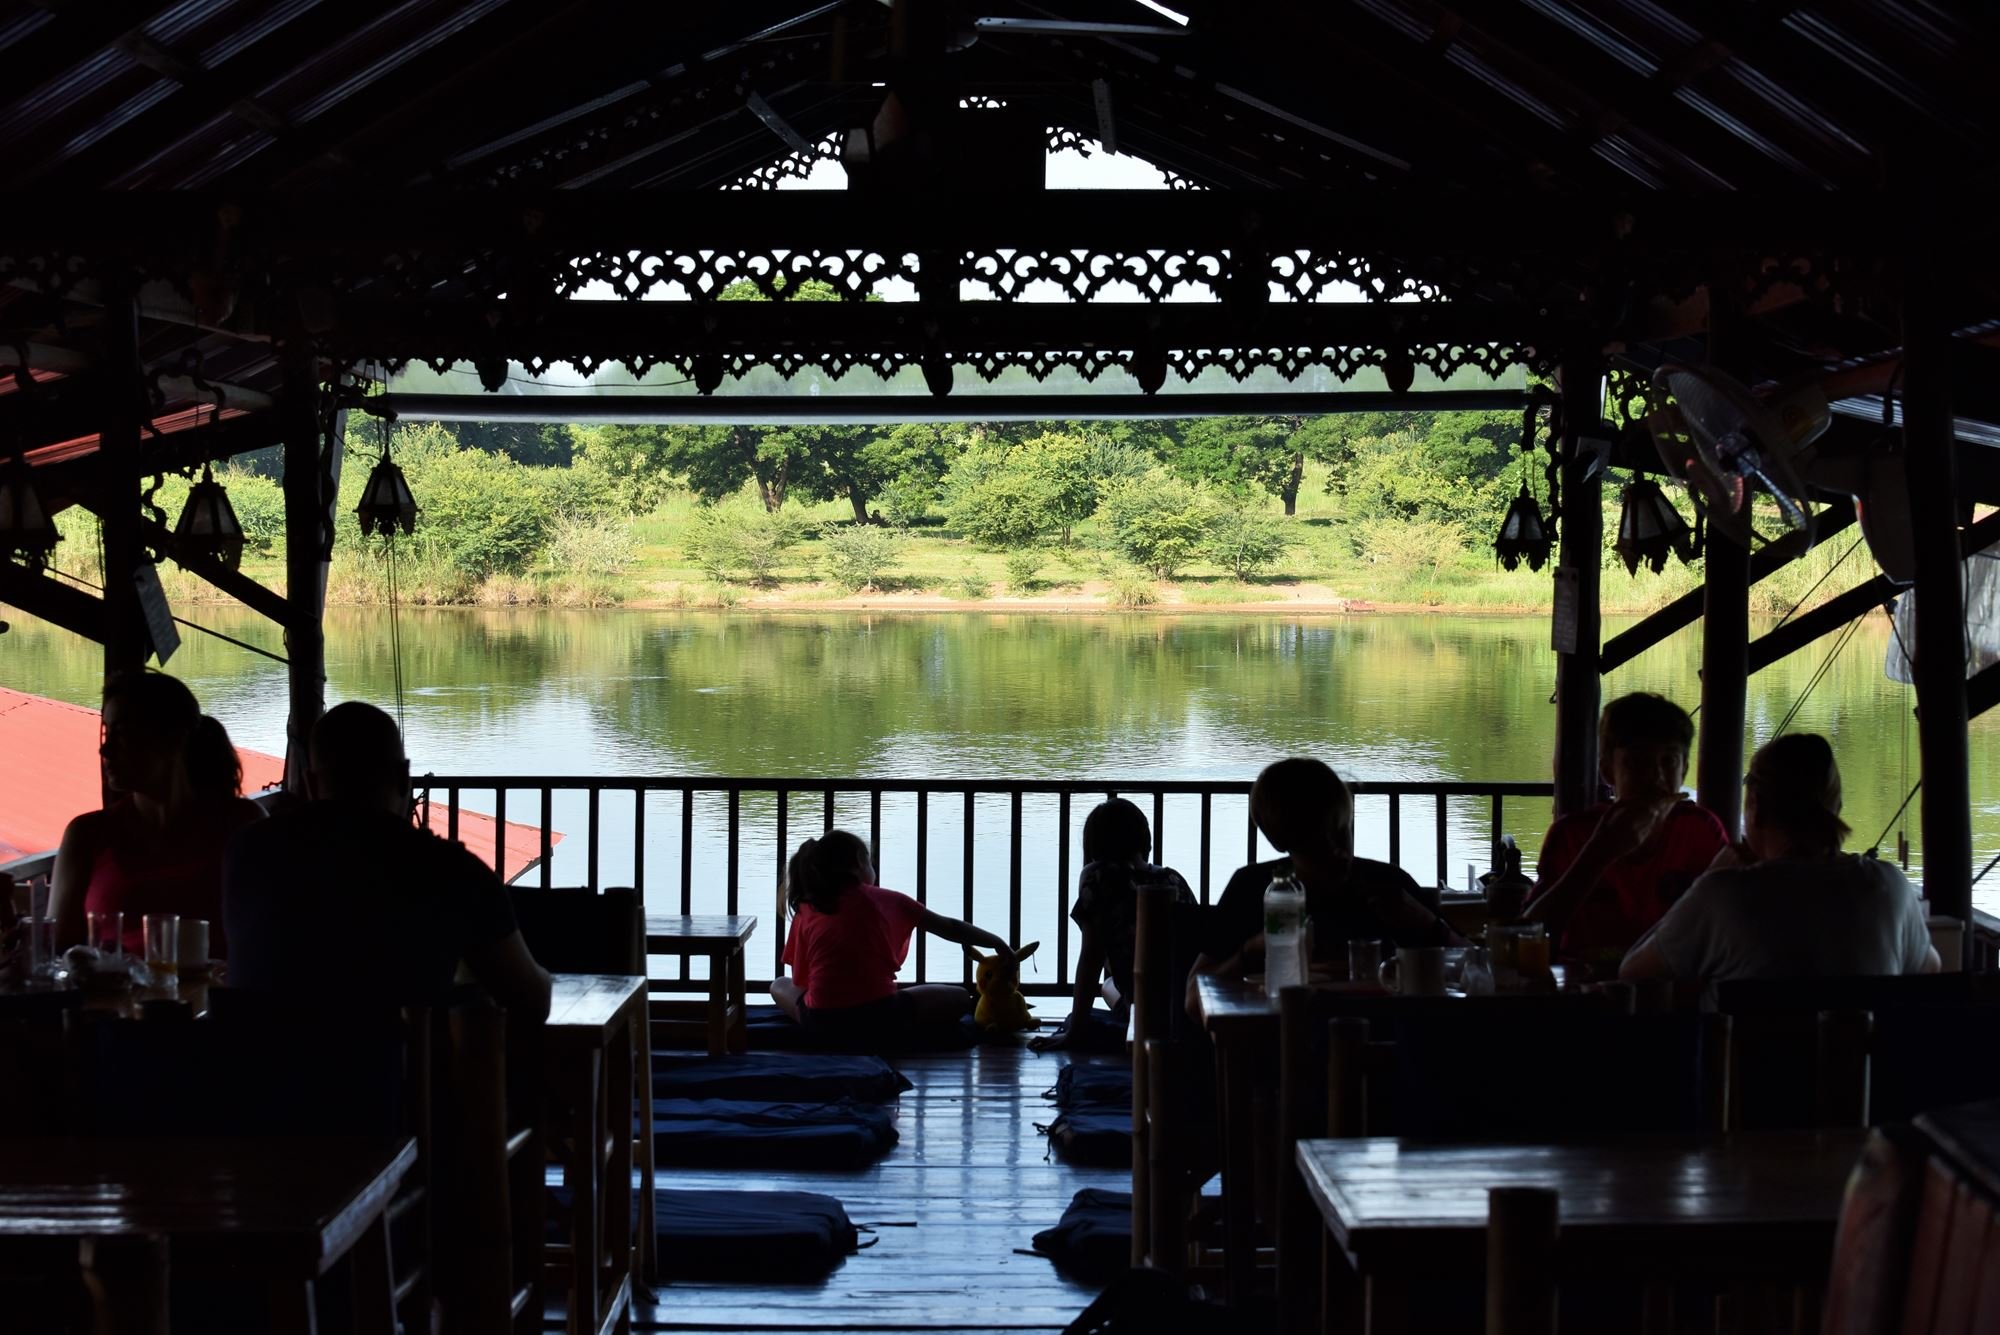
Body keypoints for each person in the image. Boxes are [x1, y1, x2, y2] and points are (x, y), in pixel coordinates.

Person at [223, 701, 552, 1020]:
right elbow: (531, 1000)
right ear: (404, 777)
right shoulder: (450, 870)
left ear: (310, 784)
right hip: (395, 1058)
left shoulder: (247, 850)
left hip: (258, 1056)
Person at [1620, 734, 1939, 982]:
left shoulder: (1722, 893)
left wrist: (1707, 878)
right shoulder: (1890, 885)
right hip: (1857, 1051)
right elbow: (1930, 968)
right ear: (1837, 808)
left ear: (1756, 805)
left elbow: (1633, 973)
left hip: (1752, 1052)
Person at [1186, 757, 1457, 1015]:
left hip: (1293, 1033)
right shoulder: (1252, 889)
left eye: (1340, 830)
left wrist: (1427, 923)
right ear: (1279, 839)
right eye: (1317, 835)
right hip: (1364, 1033)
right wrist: (1250, 952)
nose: (1336, 847)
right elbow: (1192, 999)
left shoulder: (1390, 885)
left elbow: (1470, 969)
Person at [50, 673, 264, 955]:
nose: (106, 749)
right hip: (112, 984)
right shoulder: (86, 835)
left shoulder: (242, 825)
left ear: (173, 738)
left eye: (122, 734)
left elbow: (274, 930)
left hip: (218, 984)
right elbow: (55, 949)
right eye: (106, 732)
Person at [1522, 692, 1728, 975]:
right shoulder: (1573, 834)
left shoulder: (1701, 830)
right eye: (1638, 762)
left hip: (1672, 989)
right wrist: (1600, 853)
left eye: (1669, 762)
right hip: (1584, 987)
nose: (1656, 776)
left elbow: (1726, 927)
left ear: (1684, 771)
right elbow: (1526, 935)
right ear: (1608, 770)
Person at [771, 829, 1020, 1049]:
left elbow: (801, 979)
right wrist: (996, 942)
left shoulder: (809, 906)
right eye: (870, 862)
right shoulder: (888, 901)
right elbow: (949, 927)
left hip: (821, 1022)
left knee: (779, 984)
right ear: (859, 863)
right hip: (882, 1017)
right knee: (959, 997)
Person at [1041, 799, 1196, 1050]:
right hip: (1186, 1001)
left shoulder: (1098, 878)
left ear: (1094, 843)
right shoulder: (1172, 878)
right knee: (1113, 984)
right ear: (1144, 838)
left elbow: (1091, 956)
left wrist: (1075, 1030)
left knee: (1108, 985)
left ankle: (1125, 1023)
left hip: (1143, 1001)